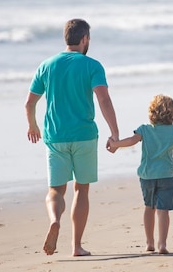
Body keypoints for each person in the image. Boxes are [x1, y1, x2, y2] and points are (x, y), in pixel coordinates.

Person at [25, 18, 119, 257]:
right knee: (81, 190)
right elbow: (104, 99)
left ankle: (55, 220)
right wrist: (114, 133)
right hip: (84, 136)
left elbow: (29, 103)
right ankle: (76, 246)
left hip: (55, 136)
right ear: (84, 39)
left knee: (56, 191)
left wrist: (33, 125)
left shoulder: (46, 65)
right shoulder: (92, 65)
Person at [109, 94, 173, 254]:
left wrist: (115, 144)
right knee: (163, 210)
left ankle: (149, 243)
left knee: (149, 207)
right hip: (167, 175)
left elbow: (131, 141)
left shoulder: (144, 130)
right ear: (170, 115)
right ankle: (162, 244)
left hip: (147, 176)